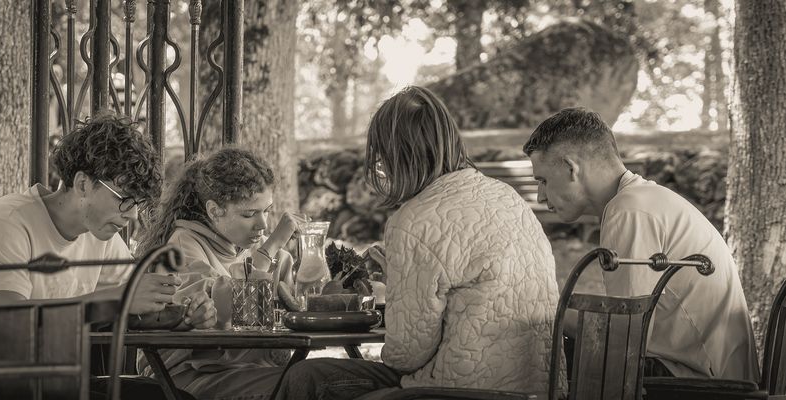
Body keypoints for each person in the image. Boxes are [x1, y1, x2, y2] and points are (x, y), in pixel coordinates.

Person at [274, 86, 563, 400]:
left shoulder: (414, 219)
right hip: (540, 388)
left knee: (305, 378)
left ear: (395, 156)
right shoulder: (508, 197)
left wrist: (399, 292)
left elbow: (406, 355)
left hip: (458, 392)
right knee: (312, 375)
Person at [0, 113, 214, 399]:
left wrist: (179, 316)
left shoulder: (100, 234)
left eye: (137, 204)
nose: (132, 215)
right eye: (124, 199)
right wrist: (118, 299)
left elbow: (129, 310)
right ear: (82, 184)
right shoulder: (4, 223)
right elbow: (8, 322)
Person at [524, 107, 758, 380]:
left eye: (543, 180)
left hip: (703, 382)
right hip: (713, 371)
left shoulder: (629, 210)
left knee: (540, 350)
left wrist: (540, 309)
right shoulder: (641, 199)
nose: (540, 196)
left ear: (570, 168)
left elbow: (625, 337)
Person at [136, 147, 306, 400]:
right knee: (309, 383)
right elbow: (221, 316)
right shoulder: (181, 247)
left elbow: (295, 311)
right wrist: (269, 250)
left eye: (266, 211)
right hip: (189, 381)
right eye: (249, 214)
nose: (263, 225)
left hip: (255, 372)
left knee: (322, 376)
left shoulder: (264, 253)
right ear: (214, 210)